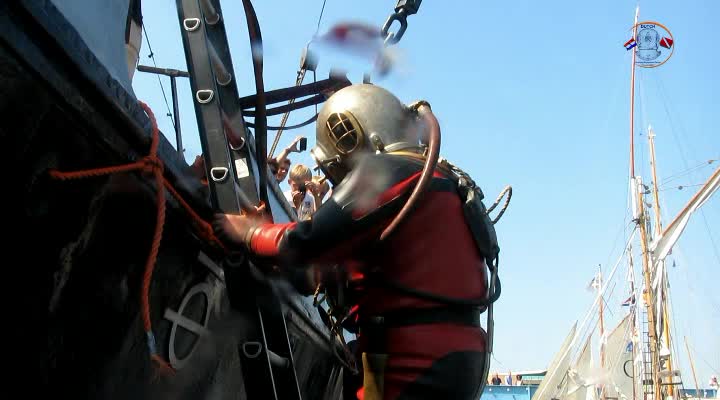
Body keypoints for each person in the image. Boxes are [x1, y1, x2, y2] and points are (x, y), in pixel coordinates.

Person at [213, 84, 500, 400]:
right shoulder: (443, 181)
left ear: (350, 138)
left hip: (415, 361)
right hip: (444, 356)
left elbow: (305, 241)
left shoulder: (386, 171)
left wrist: (250, 233)